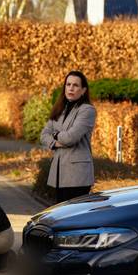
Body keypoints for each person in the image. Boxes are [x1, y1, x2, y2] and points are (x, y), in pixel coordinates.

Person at [40, 71, 97, 203]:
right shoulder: (60, 109)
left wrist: (54, 135)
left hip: (78, 175)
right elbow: (43, 135)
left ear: (83, 90)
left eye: (76, 85)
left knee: (75, 218)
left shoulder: (87, 110)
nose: (71, 88)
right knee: (61, 216)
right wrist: (55, 143)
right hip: (59, 173)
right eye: (68, 84)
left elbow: (71, 138)